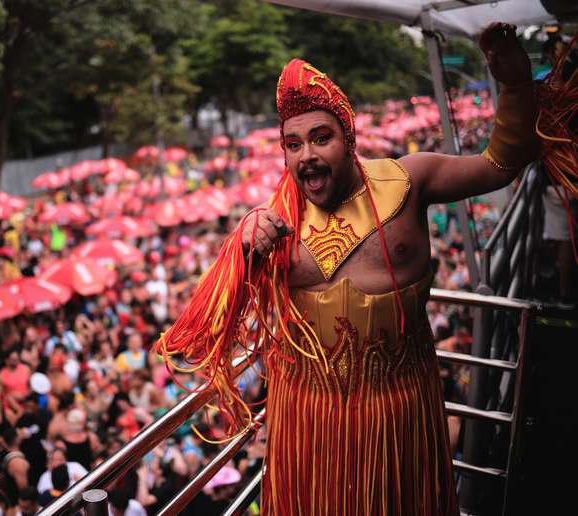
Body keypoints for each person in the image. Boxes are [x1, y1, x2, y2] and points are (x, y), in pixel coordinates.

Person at [157, 22, 540, 515]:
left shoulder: (409, 181)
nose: (307, 156)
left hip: (399, 408)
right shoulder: (274, 218)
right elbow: (207, 330)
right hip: (306, 416)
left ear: (349, 137)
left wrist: (513, 84)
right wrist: (241, 250)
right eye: (293, 145)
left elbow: (502, 163)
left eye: (321, 138)